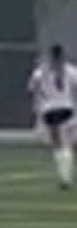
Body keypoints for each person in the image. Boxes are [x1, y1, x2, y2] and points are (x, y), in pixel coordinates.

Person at [29, 43, 76, 190]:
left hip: (49, 110)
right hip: (67, 108)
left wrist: (36, 106)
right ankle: (65, 178)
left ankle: (63, 178)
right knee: (67, 143)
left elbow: (34, 89)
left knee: (57, 144)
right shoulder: (71, 70)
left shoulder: (40, 72)